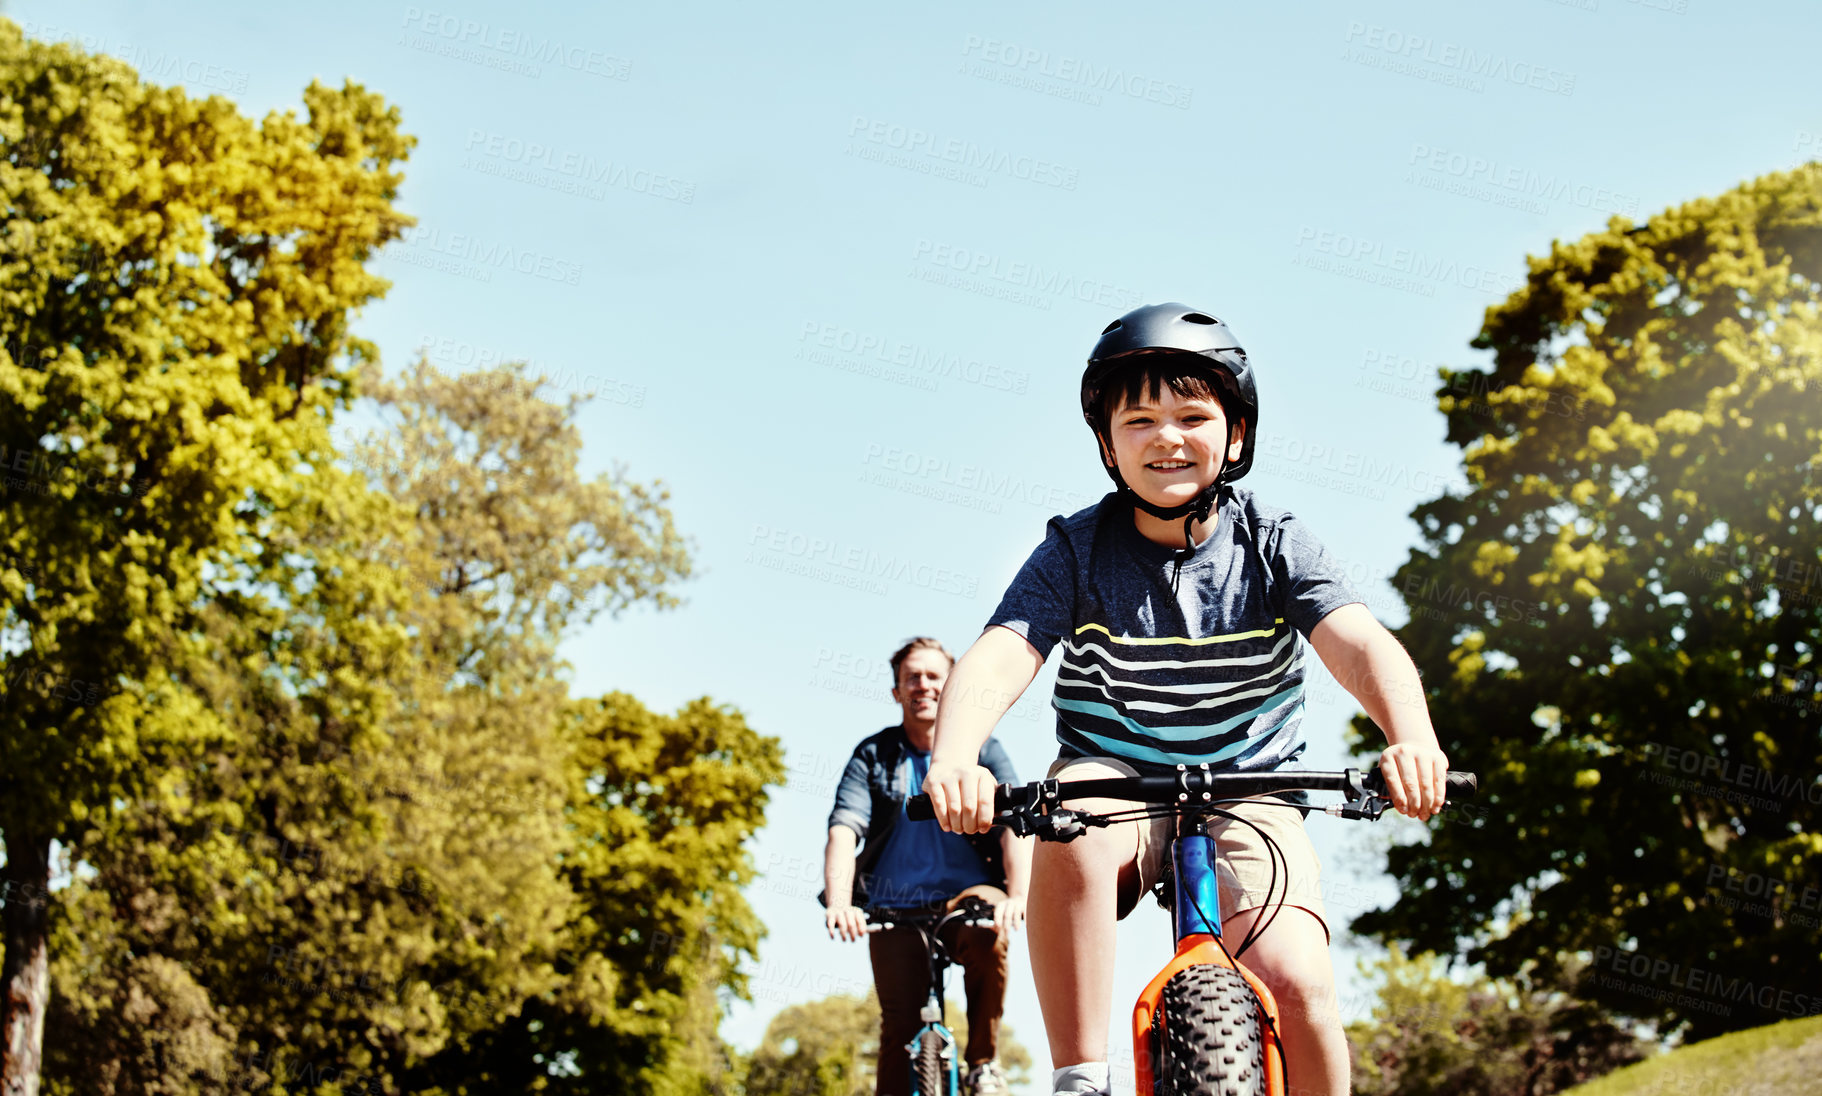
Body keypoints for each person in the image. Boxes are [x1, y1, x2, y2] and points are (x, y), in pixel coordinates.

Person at [919, 303, 1453, 1096]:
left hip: (1251, 786)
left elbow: (1359, 643)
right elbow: (1004, 651)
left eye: (1191, 415)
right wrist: (955, 755)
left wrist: (1411, 738)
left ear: (1236, 434)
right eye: (1139, 420)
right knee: (1067, 812)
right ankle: (1080, 1076)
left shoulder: (1273, 539)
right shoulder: (1076, 548)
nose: (1166, 437)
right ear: (1106, 442)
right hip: (1120, 777)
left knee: (1299, 982)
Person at [823, 637, 1034, 1096]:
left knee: (986, 934)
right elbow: (844, 829)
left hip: (968, 897)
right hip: (892, 907)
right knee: (898, 1031)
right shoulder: (873, 756)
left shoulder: (986, 749)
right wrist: (840, 902)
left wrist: (1018, 895)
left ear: (953, 685)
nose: (923, 684)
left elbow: (1013, 827)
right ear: (897, 691)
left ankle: (983, 1064)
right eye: (911, 677)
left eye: (935, 676)